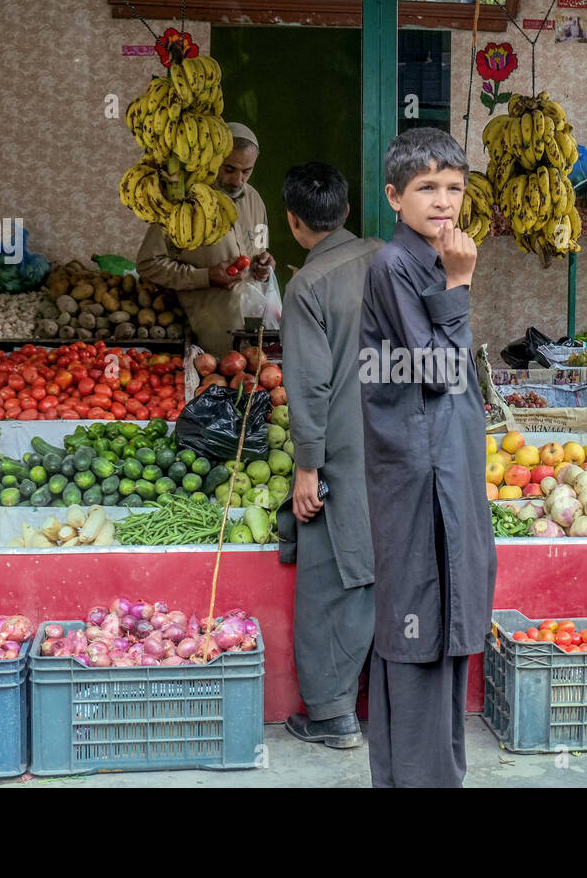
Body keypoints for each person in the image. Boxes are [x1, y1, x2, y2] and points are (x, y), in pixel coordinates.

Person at [359, 128, 497, 788]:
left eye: (454, 188)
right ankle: (420, 775)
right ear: (394, 196)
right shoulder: (393, 264)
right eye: (426, 189)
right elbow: (439, 366)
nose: (443, 202)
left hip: (444, 461)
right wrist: (461, 282)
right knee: (417, 623)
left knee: (444, 620)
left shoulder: (434, 255)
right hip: (418, 470)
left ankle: (428, 773)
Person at [275, 162, 384, 749]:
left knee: (331, 577)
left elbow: (309, 383)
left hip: (343, 450)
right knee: (386, 567)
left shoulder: (308, 285)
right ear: (345, 210)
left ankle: (332, 716)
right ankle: (391, 706)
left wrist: (307, 467)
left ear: (294, 222)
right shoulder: (395, 259)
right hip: (402, 447)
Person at [135, 122, 274, 354]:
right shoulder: (182, 202)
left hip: (255, 333)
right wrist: (205, 277)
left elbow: (261, 248)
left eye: (246, 171)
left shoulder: (254, 200)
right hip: (208, 339)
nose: (238, 180)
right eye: (229, 169)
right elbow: (148, 263)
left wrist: (265, 265)